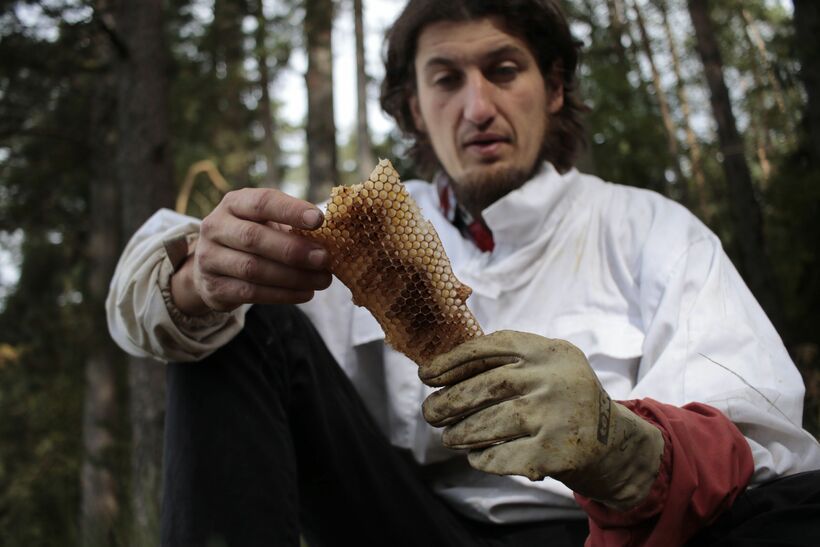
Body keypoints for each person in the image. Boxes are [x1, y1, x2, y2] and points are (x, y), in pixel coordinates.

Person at [107, 0, 820, 545]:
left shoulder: (649, 227)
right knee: (234, 311)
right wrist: (195, 281)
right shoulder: (354, 234)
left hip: (598, 533)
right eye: (446, 80)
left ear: (554, 88)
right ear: (414, 108)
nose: (478, 108)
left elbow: (759, 441)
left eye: (503, 70)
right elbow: (156, 306)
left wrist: (620, 444)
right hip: (405, 524)